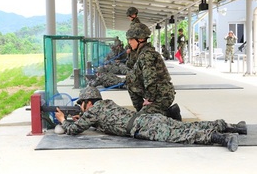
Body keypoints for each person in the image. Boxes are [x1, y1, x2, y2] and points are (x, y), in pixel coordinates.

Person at [55, 86, 248, 152]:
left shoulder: (92, 111)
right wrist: (84, 117)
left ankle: (222, 138)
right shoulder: (106, 104)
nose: (81, 107)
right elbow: (104, 122)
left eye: (82, 103)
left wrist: (64, 119)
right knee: (187, 126)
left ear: (88, 102)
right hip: (147, 119)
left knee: (182, 135)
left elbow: (72, 131)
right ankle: (234, 127)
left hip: (143, 128)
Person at [125, 23, 181, 121]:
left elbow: (151, 79)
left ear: (141, 39)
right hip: (157, 93)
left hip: (161, 96)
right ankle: (144, 110)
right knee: (130, 80)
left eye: (131, 39)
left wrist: (150, 99)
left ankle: (170, 113)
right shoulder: (142, 53)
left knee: (141, 121)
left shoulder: (146, 55)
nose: (129, 42)